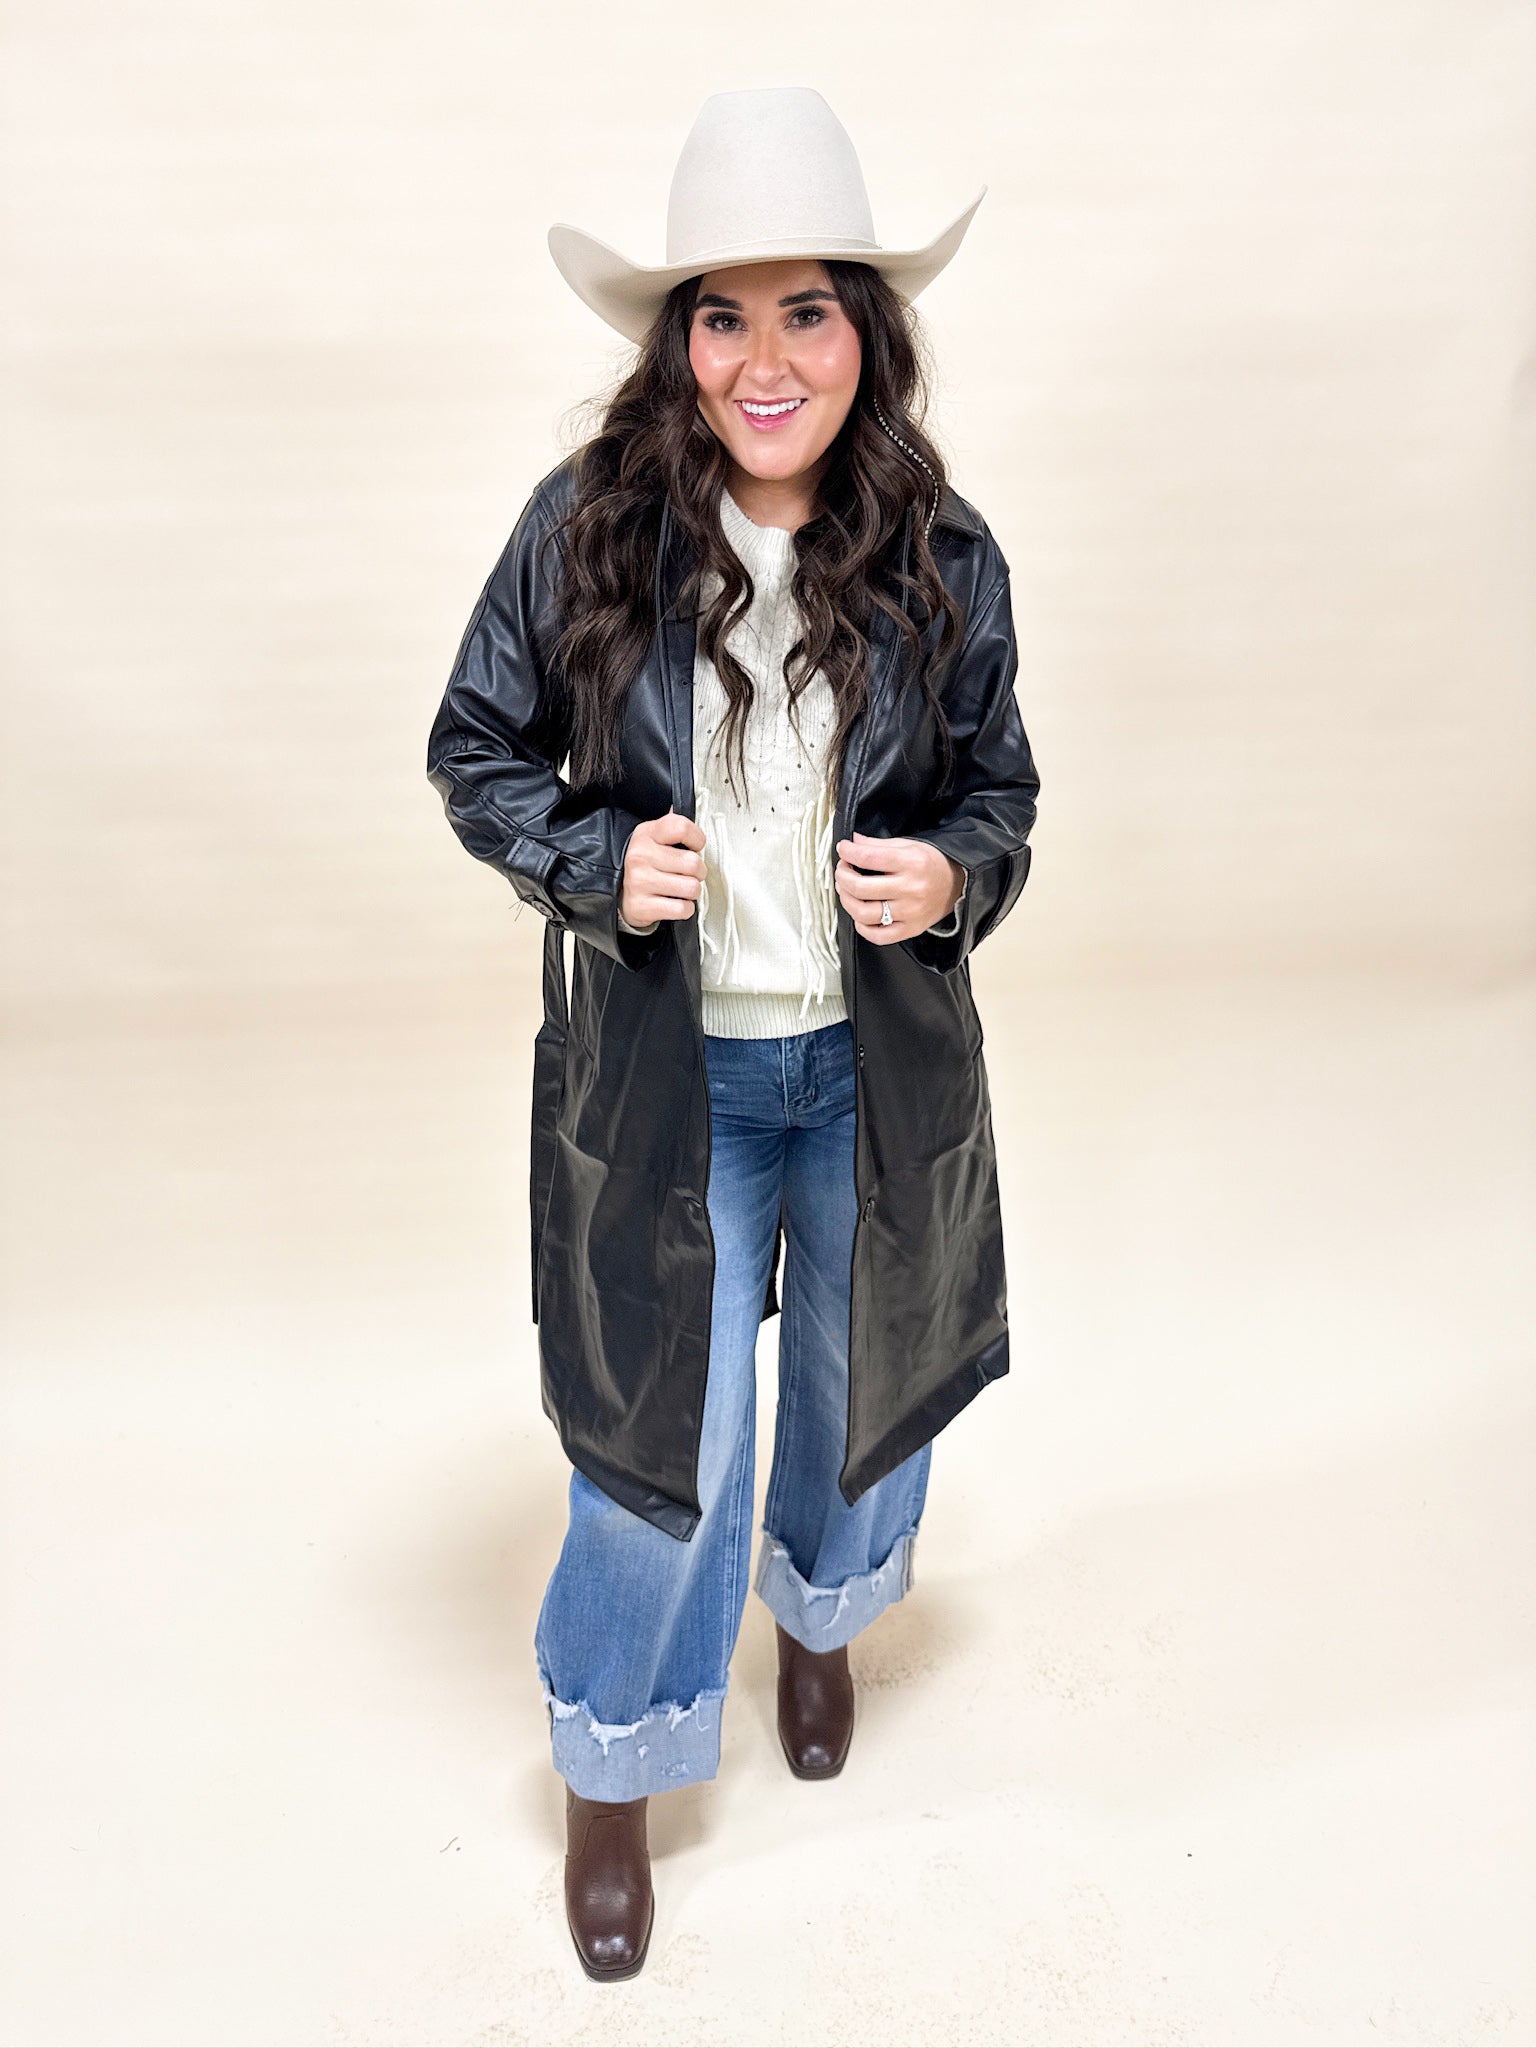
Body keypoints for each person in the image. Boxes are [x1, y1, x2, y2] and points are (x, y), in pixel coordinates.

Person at [426, 86, 1040, 1980]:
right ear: (674, 341)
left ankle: (824, 1620)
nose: (765, 363)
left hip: (869, 1072)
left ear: (868, 330)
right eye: (722, 317)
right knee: (660, 1440)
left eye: (806, 313)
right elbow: (474, 749)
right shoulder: (587, 535)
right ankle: (614, 1765)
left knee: (861, 1393)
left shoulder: (939, 552)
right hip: (669, 1078)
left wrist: (951, 874)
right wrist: (595, 862)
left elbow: (1002, 799)